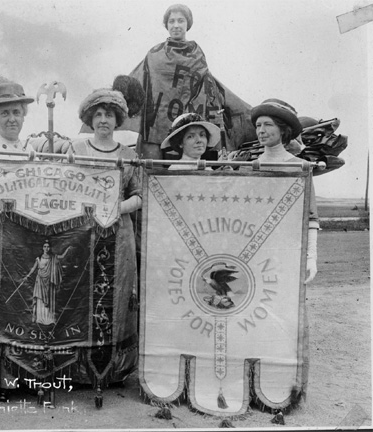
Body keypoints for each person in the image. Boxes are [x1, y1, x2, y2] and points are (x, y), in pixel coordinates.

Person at [71, 88, 142, 382]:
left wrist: (117, 208)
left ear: (117, 120)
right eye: (98, 114)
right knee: (82, 291)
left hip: (120, 233)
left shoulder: (129, 155)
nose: (103, 120)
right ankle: (79, 370)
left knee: (118, 293)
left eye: (109, 115)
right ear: (90, 118)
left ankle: (113, 371)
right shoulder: (76, 150)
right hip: (83, 232)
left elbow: (139, 195)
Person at [129, 4, 233, 159]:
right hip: (156, 125)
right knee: (154, 172)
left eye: (180, 21)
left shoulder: (196, 53)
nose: (176, 25)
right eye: (172, 21)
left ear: (187, 24)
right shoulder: (155, 54)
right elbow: (139, 83)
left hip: (187, 127)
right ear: (166, 25)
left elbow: (207, 86)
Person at [249, 98, 319, 283]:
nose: (261, 130)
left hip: (288, 250)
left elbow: (310, 217)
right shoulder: (248, 168)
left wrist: (311, 256)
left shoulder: (300, 168)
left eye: (268, 124)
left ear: (282, 129)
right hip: (253, 252)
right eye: (258, 125)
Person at [20, 241, 73, 325]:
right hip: (40, 281)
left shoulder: (52, 257)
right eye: (44, 246)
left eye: (48, 246)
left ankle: (49, 319)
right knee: (40, 298)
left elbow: (62, 256)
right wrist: (27, 276)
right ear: (42, 247)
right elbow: (33, 268)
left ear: (50, 248)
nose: (46, 248)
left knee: (49, 299)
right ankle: (39, 318)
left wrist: (67, 249)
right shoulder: (38, 258)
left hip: (49, 281)